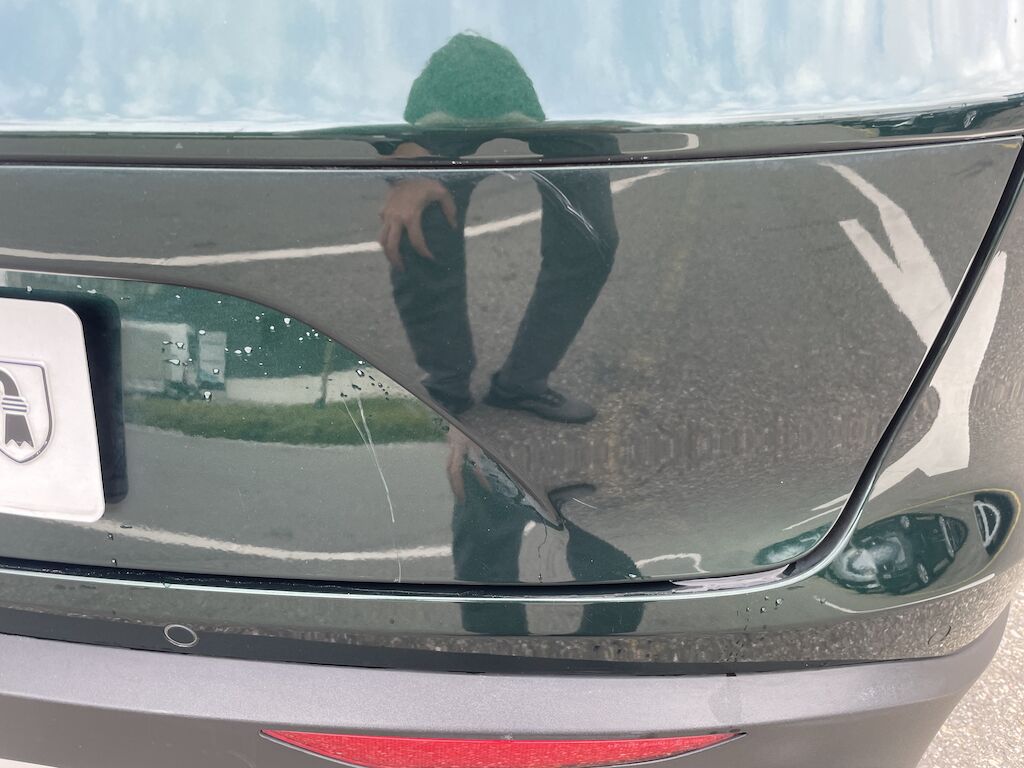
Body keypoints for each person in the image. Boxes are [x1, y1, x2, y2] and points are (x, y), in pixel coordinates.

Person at [378, 33, 619, 423]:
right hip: (449, 80)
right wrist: (406, 163)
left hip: (559, 79)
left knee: (592, 242)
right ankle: (445, 387)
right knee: (420, 227)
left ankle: (522, 382)